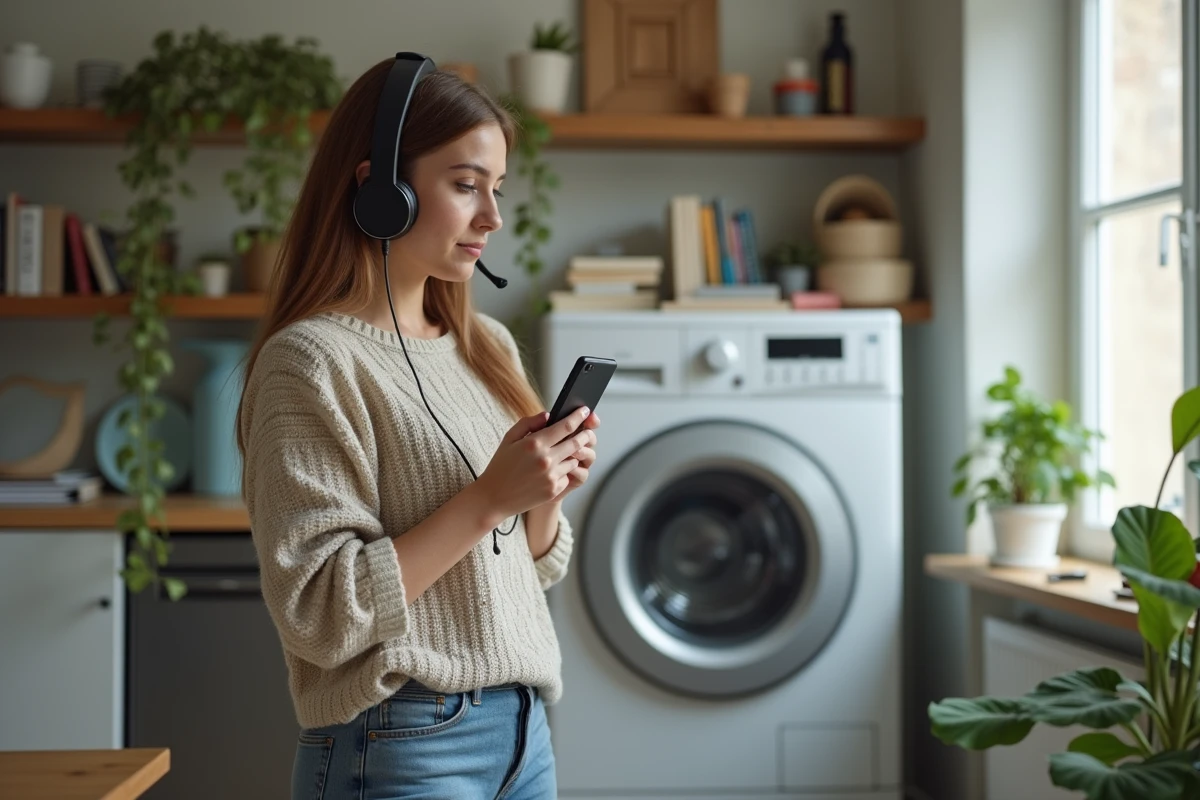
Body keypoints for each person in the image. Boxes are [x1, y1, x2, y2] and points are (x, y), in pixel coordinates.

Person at [235, 56, 599, 800]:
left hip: (524, 735)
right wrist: (491, 498)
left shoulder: (484, 346)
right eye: (466, 186)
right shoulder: (309, 363)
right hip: (399, 743)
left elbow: (528, 568)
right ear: (380, 192)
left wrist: (545, 490)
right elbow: (319, 610)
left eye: (496, 190)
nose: (492, 218)